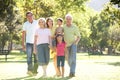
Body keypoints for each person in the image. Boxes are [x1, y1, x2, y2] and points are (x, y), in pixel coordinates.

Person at [22, 11, 39, 76]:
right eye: (28, 16)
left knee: (36, 58)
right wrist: (23, 44)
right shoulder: (25, 24)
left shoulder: (37, 22)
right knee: (29, 57)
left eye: (30, 15)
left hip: (36, 43)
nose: (29, 17)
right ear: (26, 17)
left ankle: (35, 71)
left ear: (33, 16)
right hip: (28, 43)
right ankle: (30, 70)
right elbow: (23, 34)